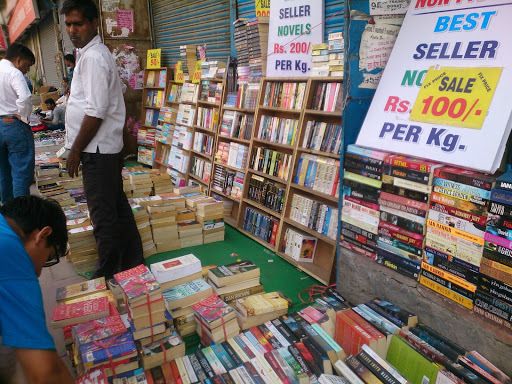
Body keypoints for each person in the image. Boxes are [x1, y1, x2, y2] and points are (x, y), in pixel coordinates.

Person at [62, 0, 143, 279]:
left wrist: (75, 150)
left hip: (97, 149)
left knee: (103, 214)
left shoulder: (95, 57)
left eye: (78, 23)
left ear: (94, 23)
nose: (73, 29)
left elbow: (96, 111)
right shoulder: (89, 54)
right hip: (102, 148)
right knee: (116, 205)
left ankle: (108, 271)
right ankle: (133, 261)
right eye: (69, 24)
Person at [0, 195, 74, 384]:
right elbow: (46, 374)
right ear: (42, 235)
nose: (40, 272)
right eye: (48, 258)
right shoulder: (11, 255)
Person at [0, 43, 36, 204]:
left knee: (3, 173)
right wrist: (23, 116)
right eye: (27, 66)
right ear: (19, 60)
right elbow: (25, 98)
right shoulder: (14, 73)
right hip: (13, 124)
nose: (26, 70)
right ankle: (21, 215)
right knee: (21, 173)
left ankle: (8, 214)